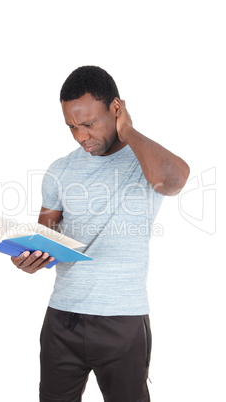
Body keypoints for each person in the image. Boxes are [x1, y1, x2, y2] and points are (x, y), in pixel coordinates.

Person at [11, 66, 190, 402]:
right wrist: (30, 257)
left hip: (122, 321)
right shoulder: (60, 169)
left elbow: (175, 179)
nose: (81, 136)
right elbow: (45, 234)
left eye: (89, 124)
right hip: (62, 319)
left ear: (116, 109)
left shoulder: (144, 163)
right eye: (72, 127)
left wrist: (129, 131)